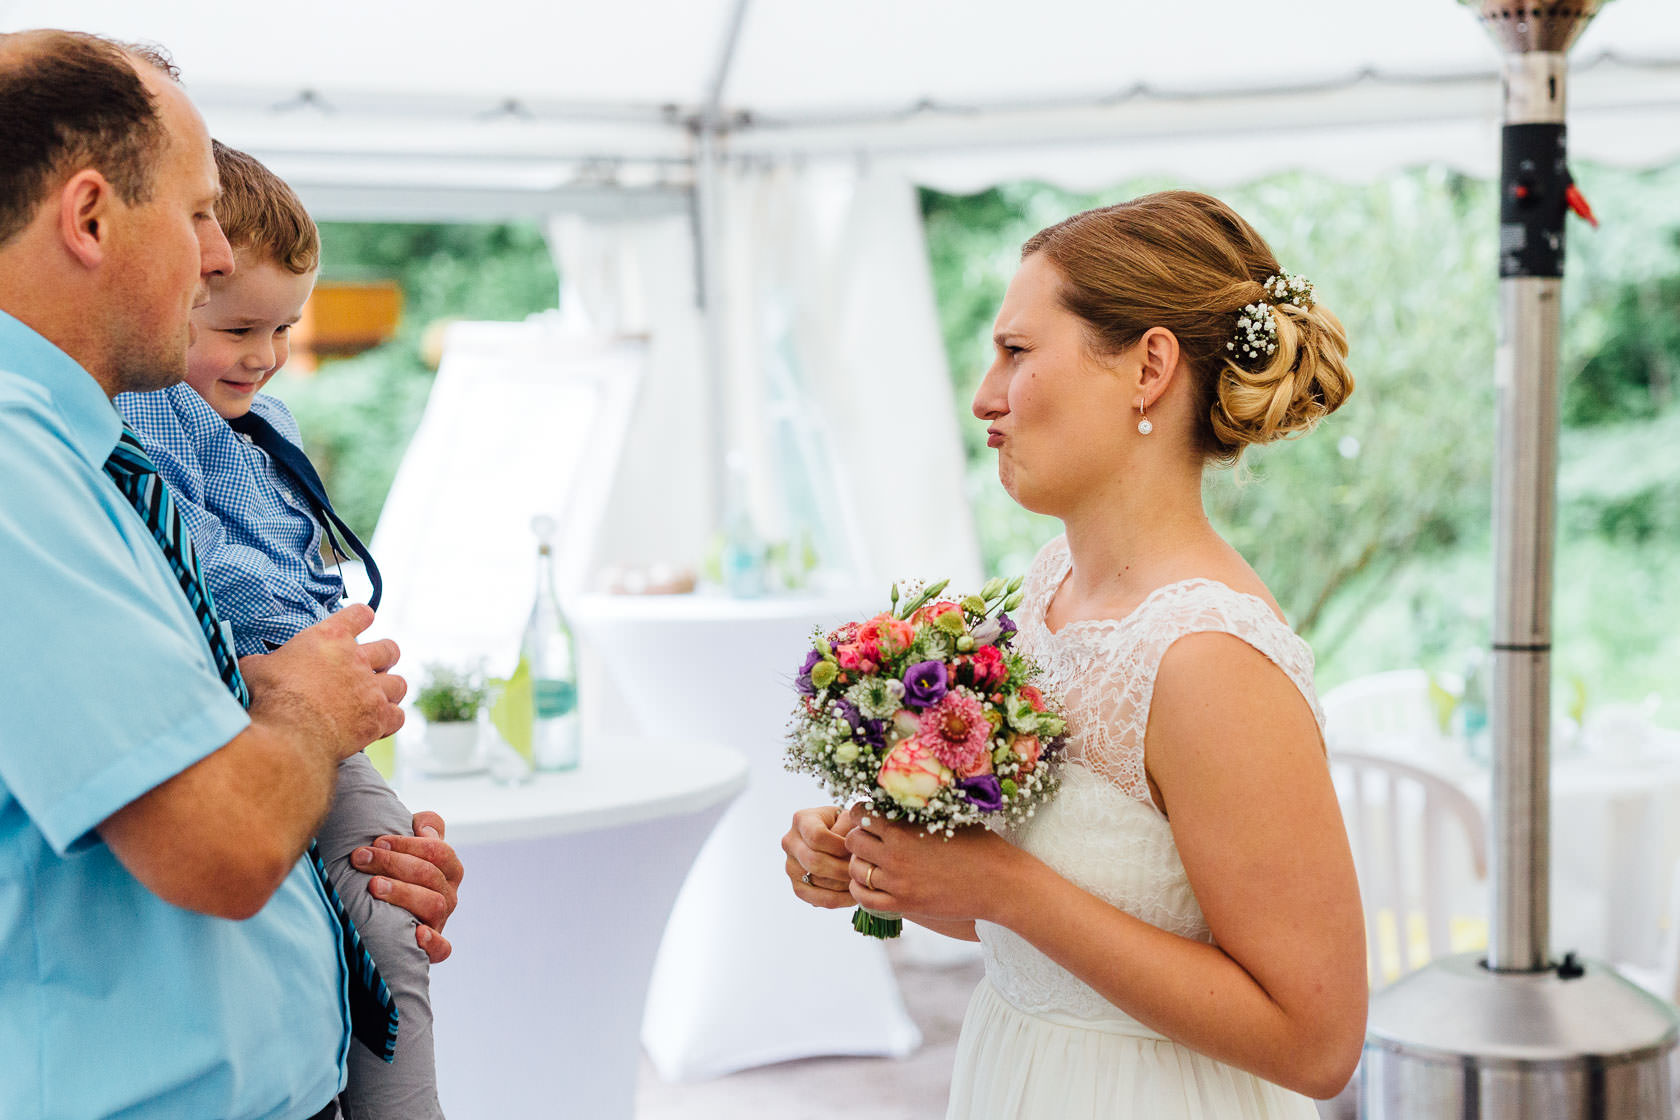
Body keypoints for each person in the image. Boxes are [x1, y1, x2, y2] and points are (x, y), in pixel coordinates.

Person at [782, 192, 1367, 1118]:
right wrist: (886, 867)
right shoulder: (1047, 591)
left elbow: (1318, 1040)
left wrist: (1007, 888)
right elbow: (1056, 933)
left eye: (1017, 353)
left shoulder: (1208, 656)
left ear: (1149, 367)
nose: (985, 397)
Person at [0, 30, 454, 1119]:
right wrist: (307, 711)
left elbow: (199, 794)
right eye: (199, 212)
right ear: (93, 217)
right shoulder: (16, 461)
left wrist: (346, 876)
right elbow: (221, 843)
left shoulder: (79, 451)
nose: (215, 255)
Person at [117, 139, 447, 1120]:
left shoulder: (271, 427)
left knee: (389, 917)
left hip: (319, 724)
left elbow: (301, 563)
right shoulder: (142, 403)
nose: (262, 355)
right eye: (236, 327)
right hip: (245, 708)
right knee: (377, 924)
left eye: (284, 328)